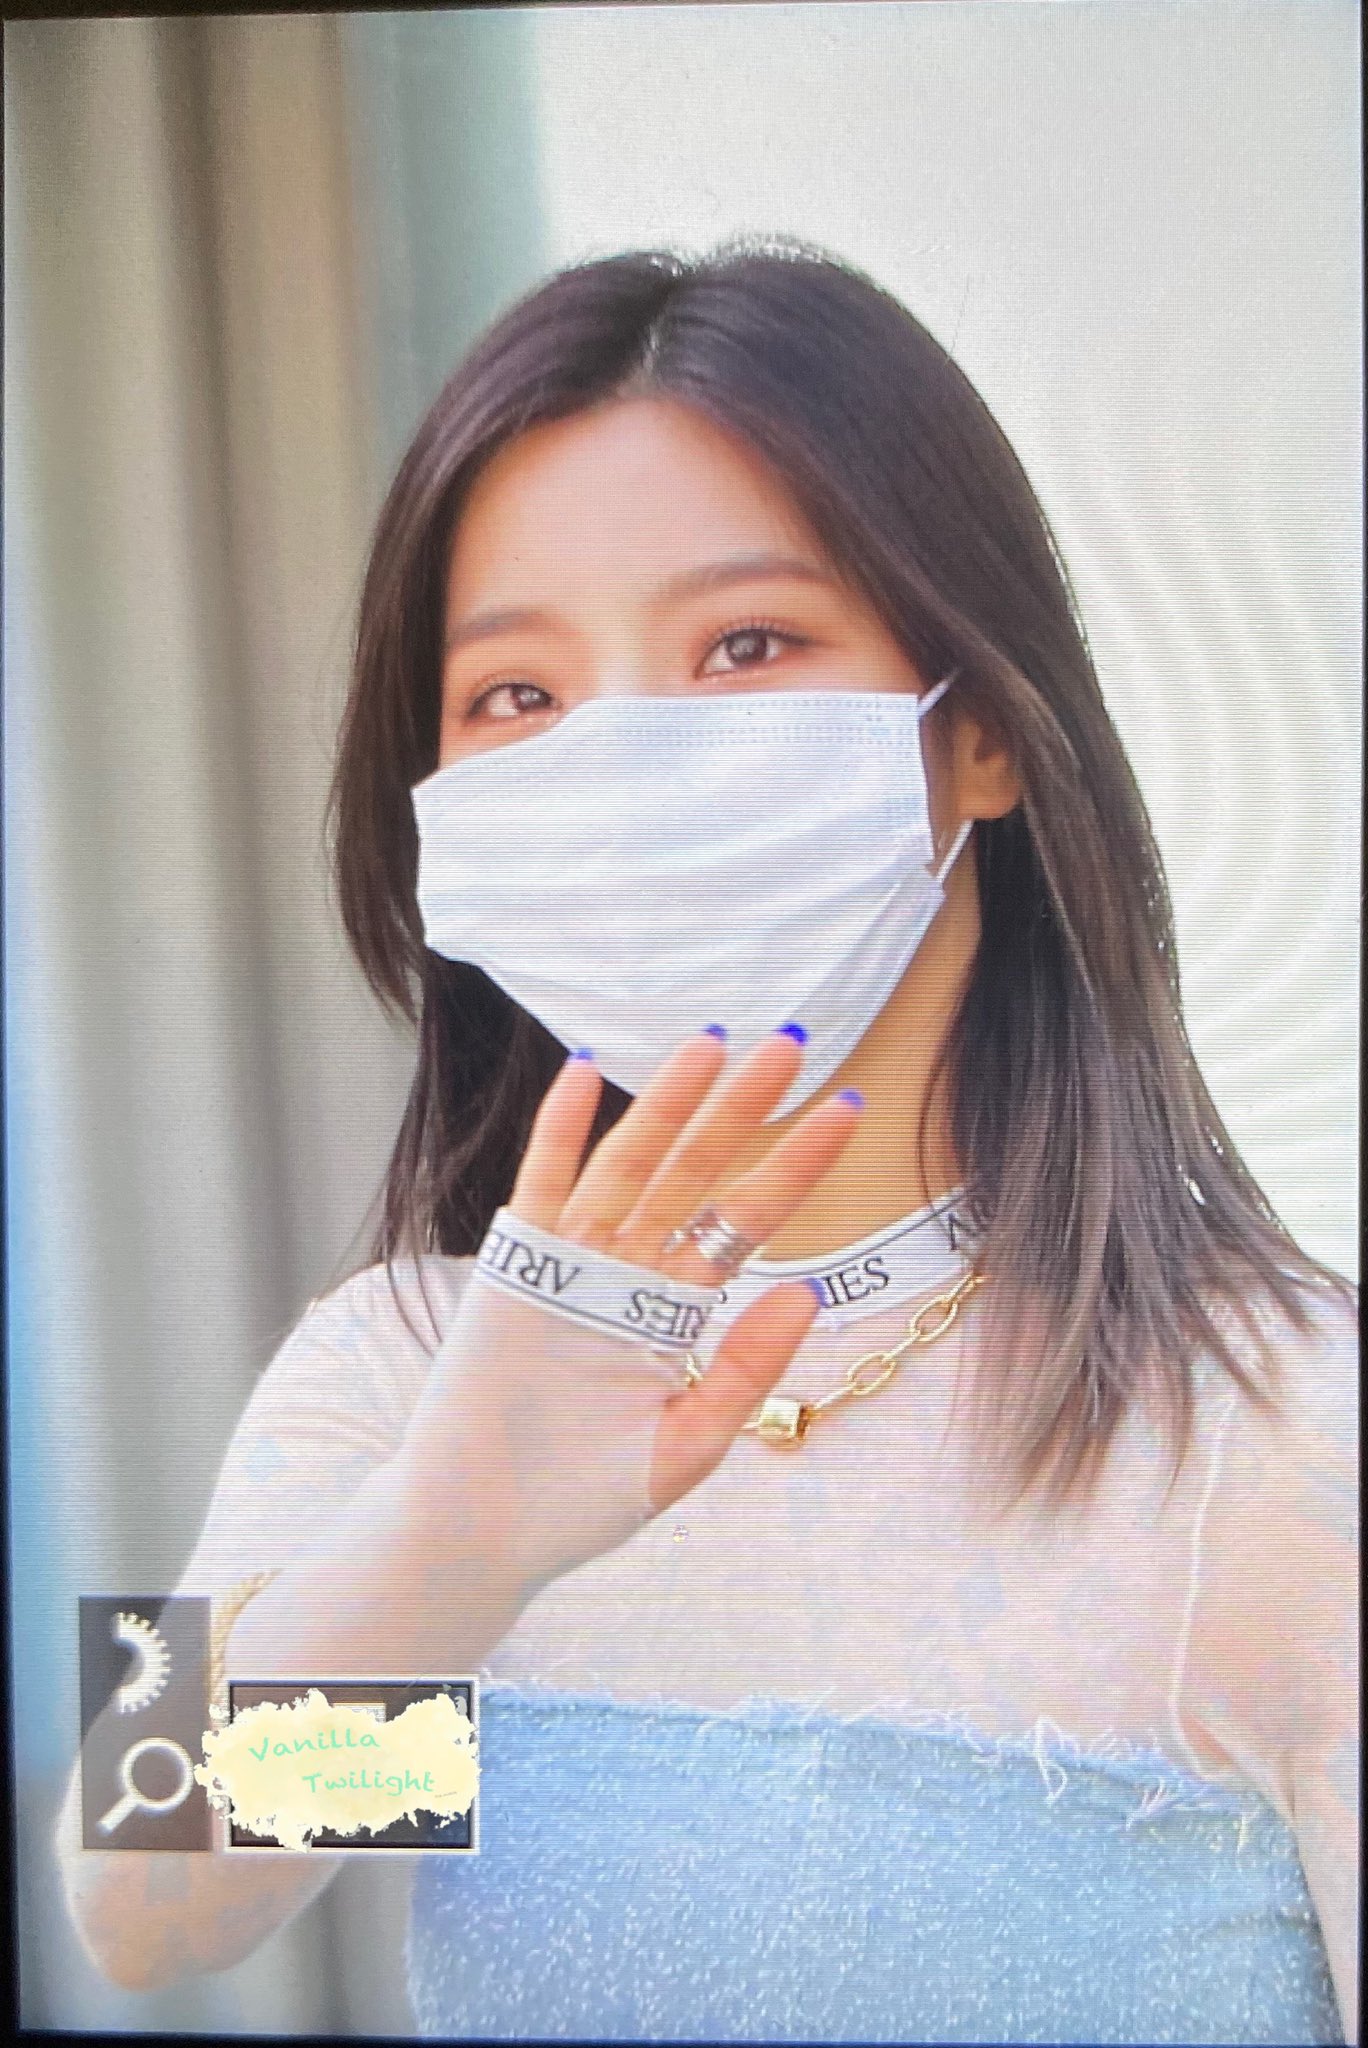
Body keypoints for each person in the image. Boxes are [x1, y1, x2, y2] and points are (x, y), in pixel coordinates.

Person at [58, 236, 1358, 2044]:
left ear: (979, 734)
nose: (626, 769)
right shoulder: (407, 1366)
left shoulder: (1275, 1427)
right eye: (518, 696)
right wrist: (460, 1534)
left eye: (747, 646)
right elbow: (147, 1908)